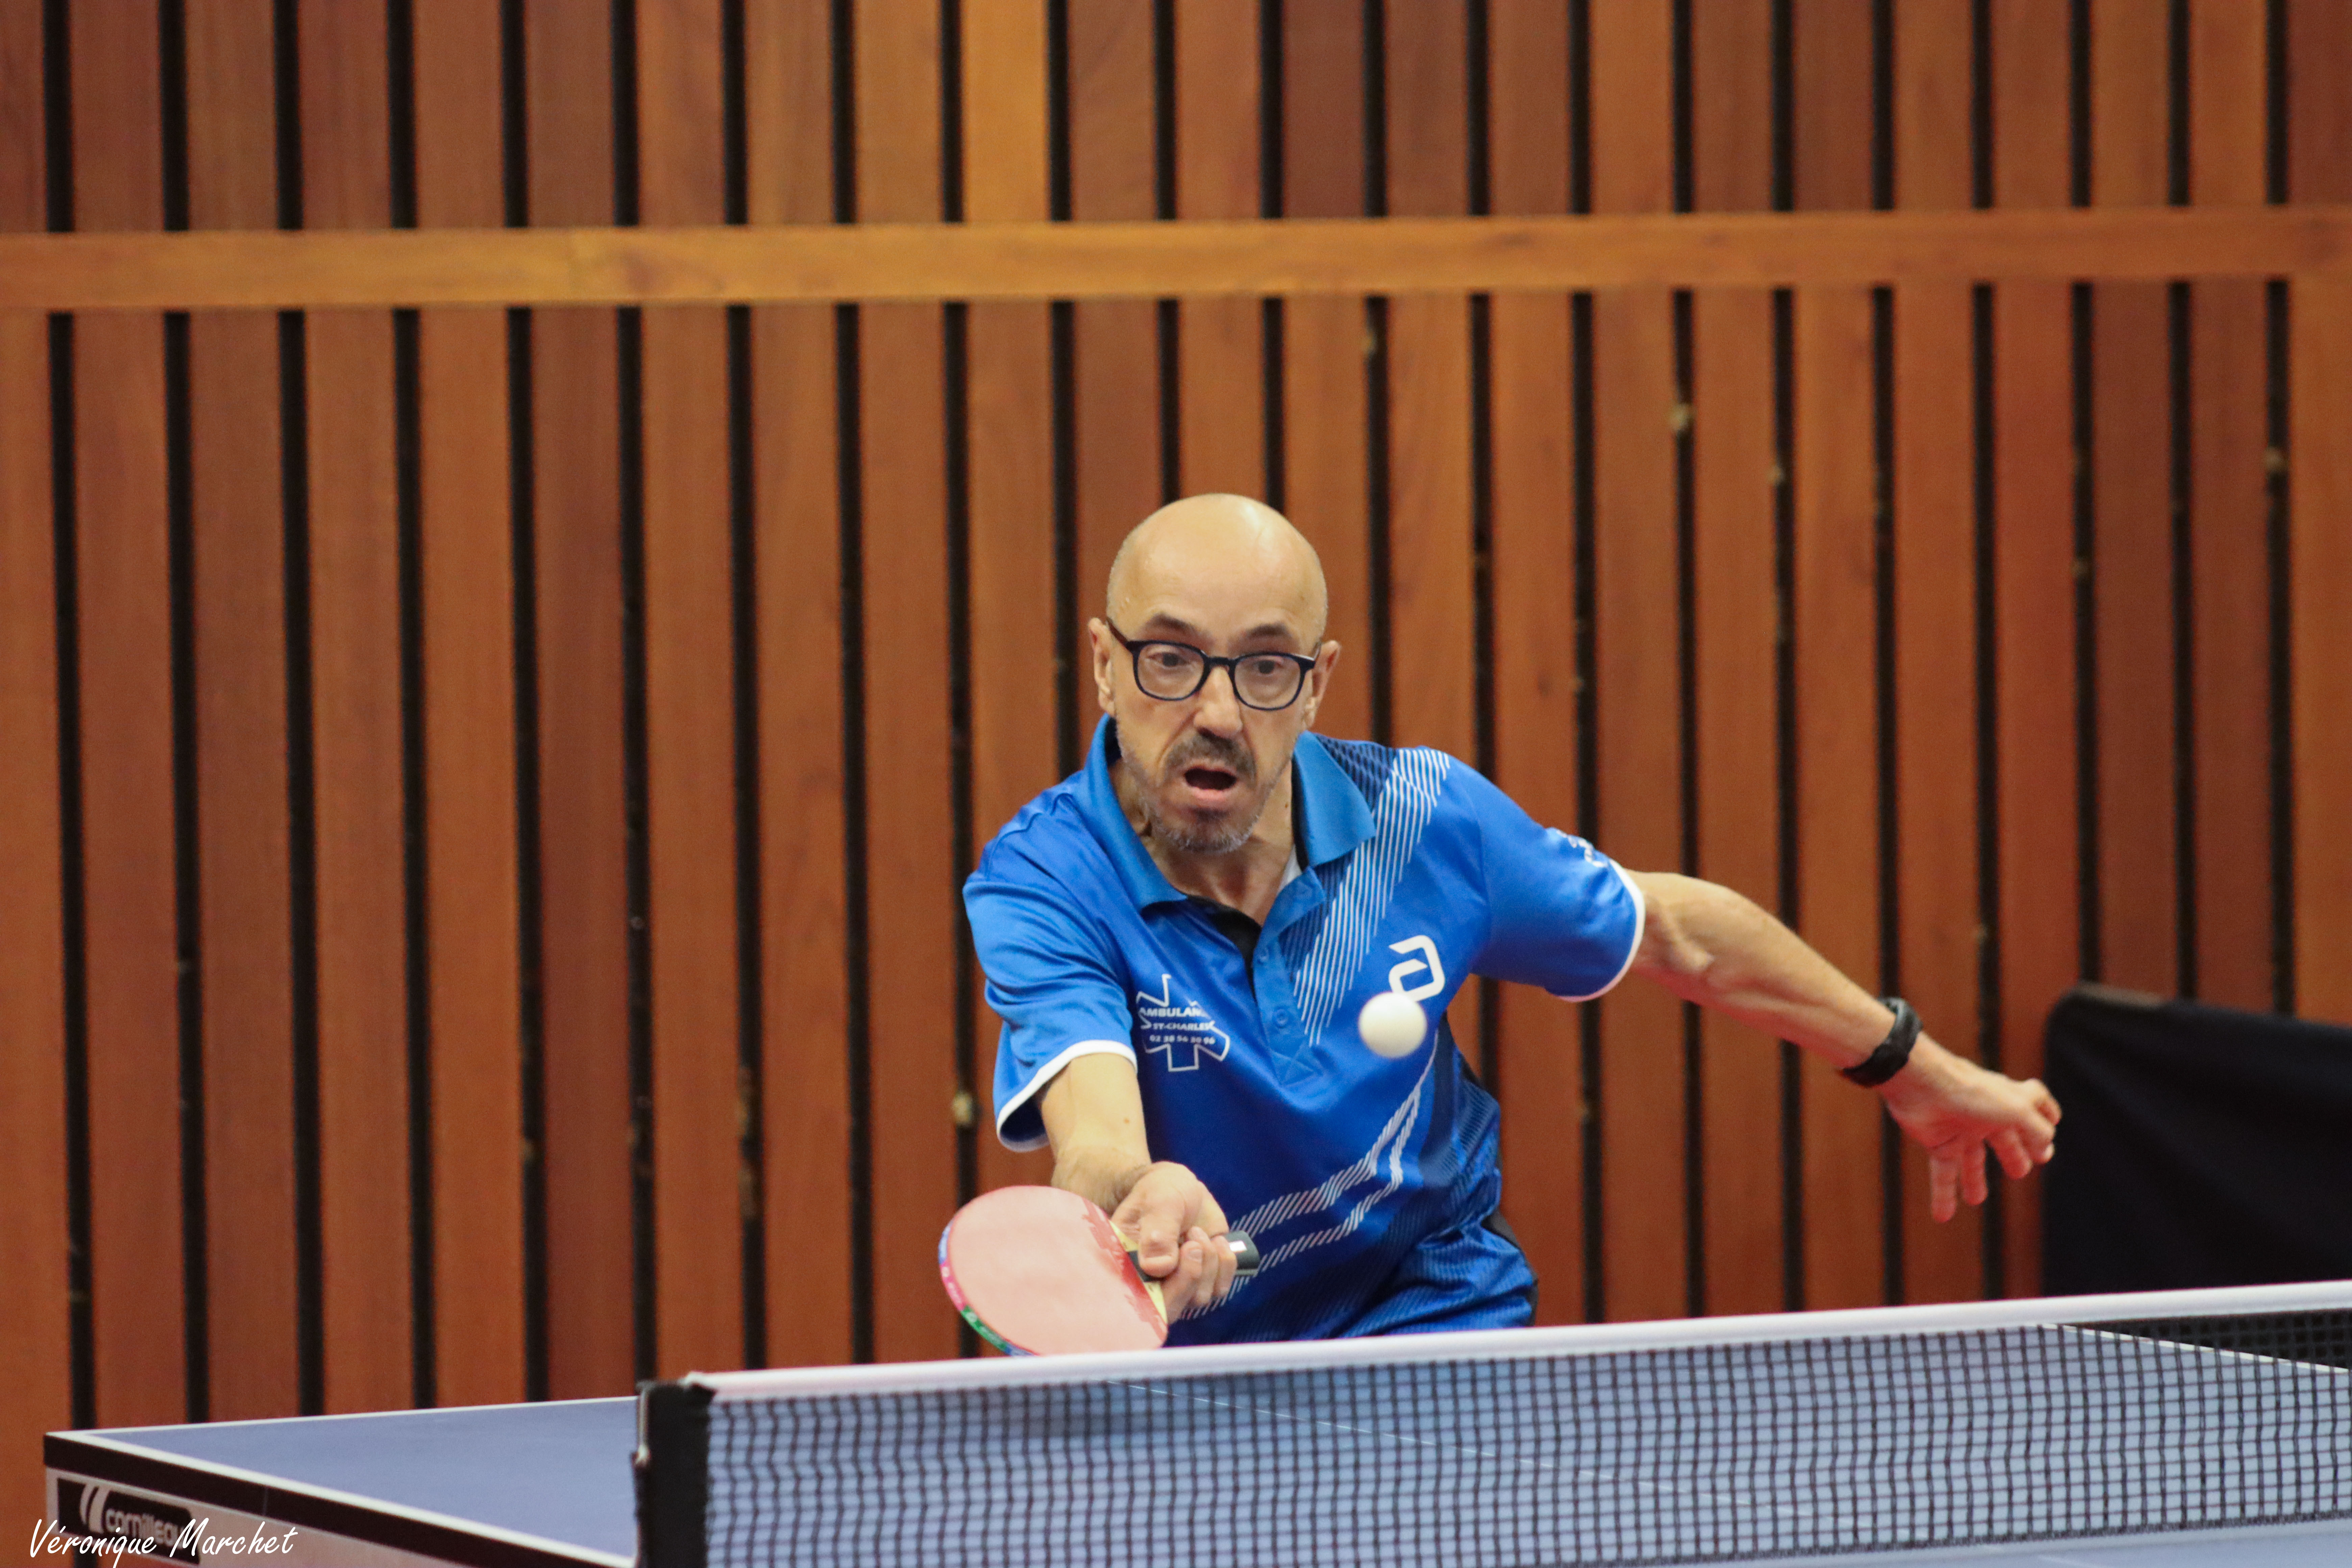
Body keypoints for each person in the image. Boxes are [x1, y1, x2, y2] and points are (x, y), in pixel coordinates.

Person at [963, 493, 2061, 1341]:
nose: (1215, 711)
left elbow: (1680, 934)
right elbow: (1094, 1138)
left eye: (1263, 667)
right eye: (1169, 660)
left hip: (1427, 1315)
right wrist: (1142, 1191)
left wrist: (1909, 1065)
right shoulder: (1048, 878)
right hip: (1182, 1348)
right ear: (1104, 666)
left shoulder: (1422, 824)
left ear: (1317, 684)